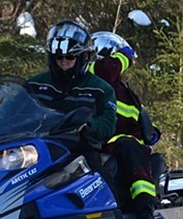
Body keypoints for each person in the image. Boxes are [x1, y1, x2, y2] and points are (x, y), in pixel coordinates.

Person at [26, 20, 118, 189]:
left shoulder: (100, 89)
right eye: (59, 57)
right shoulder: (35, 84)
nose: (64, 62)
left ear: (83, 57)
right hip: (36, 147)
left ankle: (112, 210)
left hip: (78, 148)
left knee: (99, 179)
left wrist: (88, 125)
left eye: (70, 57)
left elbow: (108, 123)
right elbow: (10, 111)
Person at [89, 31, 161, 219]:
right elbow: (106, 69)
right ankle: (143, 207)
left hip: (120, 145)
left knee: (132, 147)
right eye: (118, 58)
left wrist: (151, 131)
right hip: (98, 140)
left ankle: (145, 209)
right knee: (129, 146)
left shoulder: (123, 88)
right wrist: (124, 56)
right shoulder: (95, 72)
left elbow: (133, 119)